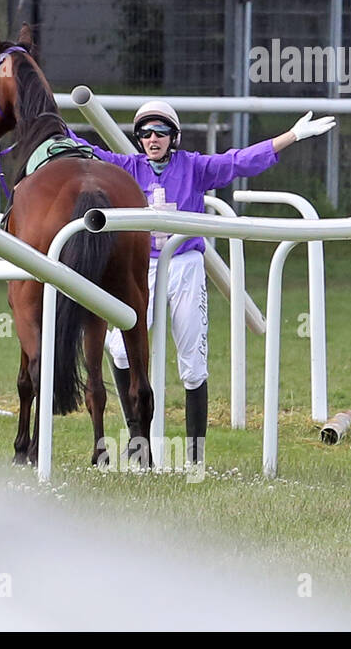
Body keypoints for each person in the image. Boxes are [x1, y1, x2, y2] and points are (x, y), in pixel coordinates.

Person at [70, 99, 336, 465]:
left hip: (186, 265)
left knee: (192, 364)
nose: (152, 138)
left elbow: (240, 161)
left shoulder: (194, 167)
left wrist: (291, 136)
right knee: (118, 351)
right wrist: (39, 119)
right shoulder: (126, 167)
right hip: (139, 267)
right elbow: (83, 151)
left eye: (160, 132)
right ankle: (138, 440)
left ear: (173, 137)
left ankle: (194, 456)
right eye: (145, 133)